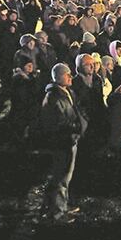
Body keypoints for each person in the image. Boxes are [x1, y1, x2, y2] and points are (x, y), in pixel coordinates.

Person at [39, 63, 88, 222]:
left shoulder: (66, 92)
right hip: (62, 143)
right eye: (67, 74)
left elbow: (75, 110)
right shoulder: (53, 98)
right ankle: (58, 212)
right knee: (61, 177)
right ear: (58, 76)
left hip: (70, 140)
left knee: (65, 176)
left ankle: (60, 205)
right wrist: (77, 127)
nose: (70, 76)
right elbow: (58, 123)